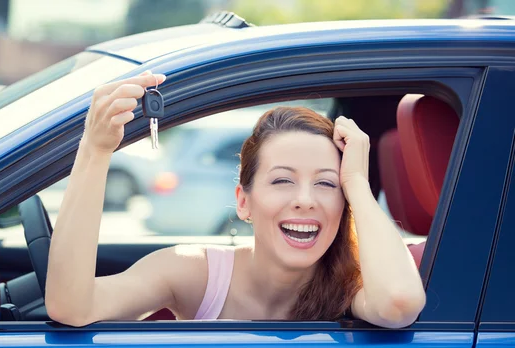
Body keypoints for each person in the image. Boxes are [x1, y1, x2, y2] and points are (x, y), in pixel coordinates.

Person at [45, 71, 426, 328]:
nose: (305, 200)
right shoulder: (196, 273)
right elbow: (73, 306)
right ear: (243, 202)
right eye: (282, 181)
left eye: (326, 185)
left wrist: (356, 180)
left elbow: (399, 303)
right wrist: (95, 151)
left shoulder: (354, 285)